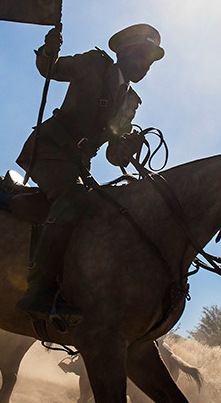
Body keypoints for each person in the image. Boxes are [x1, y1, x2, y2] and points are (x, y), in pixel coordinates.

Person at [14, 24, 164, 329]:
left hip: (79, 166)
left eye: (150, 62)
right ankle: (38, 289)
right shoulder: (94, 64)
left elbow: (113, 154)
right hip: (50, 151)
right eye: (141, 56)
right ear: (123, 53)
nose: (146, 66)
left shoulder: (130, 102)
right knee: (71, 198)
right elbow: (50, 69)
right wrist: (49, 47)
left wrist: (128, 146)